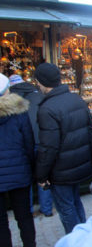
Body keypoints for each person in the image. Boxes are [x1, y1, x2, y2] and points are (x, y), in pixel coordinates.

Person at [34, 63, 92, 234]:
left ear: (42, 82)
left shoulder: (47, 108)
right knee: (75, 202)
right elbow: (89, 131)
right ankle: (86, 239)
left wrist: (41, 175)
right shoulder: (76, 99)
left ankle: (77, 245)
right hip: (79, 163)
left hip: (61, 169)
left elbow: (48, 147)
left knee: (66, 207)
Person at [0, 74, 38, 247]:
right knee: (24, 216)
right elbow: (29, 143)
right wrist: (31, 167)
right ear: (8, 89)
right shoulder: (19, 112)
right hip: (20, 171)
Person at [8, 74, 54, 217]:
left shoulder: (8, 99)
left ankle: (26, 211)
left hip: (21, 144)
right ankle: (46, 209)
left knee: (25, 178)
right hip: (42, 140)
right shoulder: (38, 94)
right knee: (43, 176)